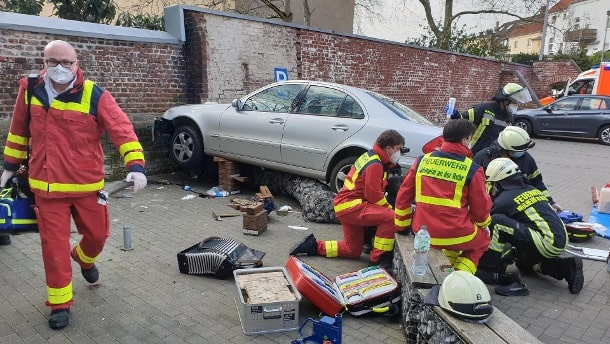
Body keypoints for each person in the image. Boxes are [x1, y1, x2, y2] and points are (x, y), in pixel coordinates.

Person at [0, 40, 147, 329]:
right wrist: (8, 168)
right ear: (43, 62)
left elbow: (122, 130)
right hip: (47, 188)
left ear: (76, 63)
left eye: (66, 62)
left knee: (98, 235)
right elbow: (18, 131)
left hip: (86, 186)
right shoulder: (30, 90)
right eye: (52, 61)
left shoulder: (94, 94)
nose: (59, 68)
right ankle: (60, 304)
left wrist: (136, 166)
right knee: (52, 249)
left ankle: (83, 258)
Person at [290, 129, 406, 269]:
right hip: (352, 207)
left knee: (353, 250)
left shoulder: (371, 157)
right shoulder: (375, 165)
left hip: (346, 206)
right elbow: (374, 195)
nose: (399, 153)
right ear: (388, 148)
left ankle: (314, 246)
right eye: (398, 149)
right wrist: (389, 208)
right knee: (390, 217)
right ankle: (378, 260)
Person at [394, 119, 492, 274]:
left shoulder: (422, 161)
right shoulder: (472, 169)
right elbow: (480, 211)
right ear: (465, 140)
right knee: (483, 241)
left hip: (422, 232)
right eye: (470, 139)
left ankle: (447, 270)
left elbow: (403, 197)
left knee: (458, 241)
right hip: (455, 233)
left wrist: (402, 226)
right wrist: (484, 226)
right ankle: (459, 279)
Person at [479, 158, 584, 294]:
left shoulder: (503, 201)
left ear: (498, 182)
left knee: (497, 222)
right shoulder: (531, 189)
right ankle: (567, 267)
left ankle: (490, 267)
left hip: (546, 241)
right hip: (560, 239)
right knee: (522, 263)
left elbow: (485, 224)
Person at [473, 126, 563, 212]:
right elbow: (472, 186)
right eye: (518, 151)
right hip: (489, 207)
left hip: (516, 207)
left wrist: (550, 202)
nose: (522, 153)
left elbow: (537, 183)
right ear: (505, 149)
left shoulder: (526, 158)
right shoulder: (483, 158)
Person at [447, 83, 533, 155]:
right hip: (473, 154)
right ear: (505, 100)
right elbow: (463, 118)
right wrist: (455, 114)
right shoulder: (483, 109)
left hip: (493, 156)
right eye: (514, 103)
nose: (516, 105)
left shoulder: (509, 118)